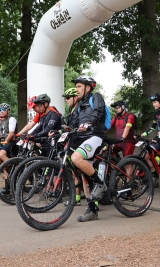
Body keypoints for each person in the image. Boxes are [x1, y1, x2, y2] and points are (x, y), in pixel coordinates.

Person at [68, 75, 108, 222]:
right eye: (76, 86)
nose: (77, 90)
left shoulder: (96, 97)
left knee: (76, 158)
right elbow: (75, 123)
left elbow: (98, 112)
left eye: (79, 86)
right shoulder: (80, 104)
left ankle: (101, 185)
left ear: (88, 87)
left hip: (96, 136)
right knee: (85, 174)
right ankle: (92, 210)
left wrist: (89, 123)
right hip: (84, 138)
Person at [137, 93, 160, 200]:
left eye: (155, 102)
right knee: (146, 155)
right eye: (153, 103)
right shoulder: (156, 113)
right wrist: (142, 135)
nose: (153, 104)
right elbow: (152, 127)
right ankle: (154, 174)